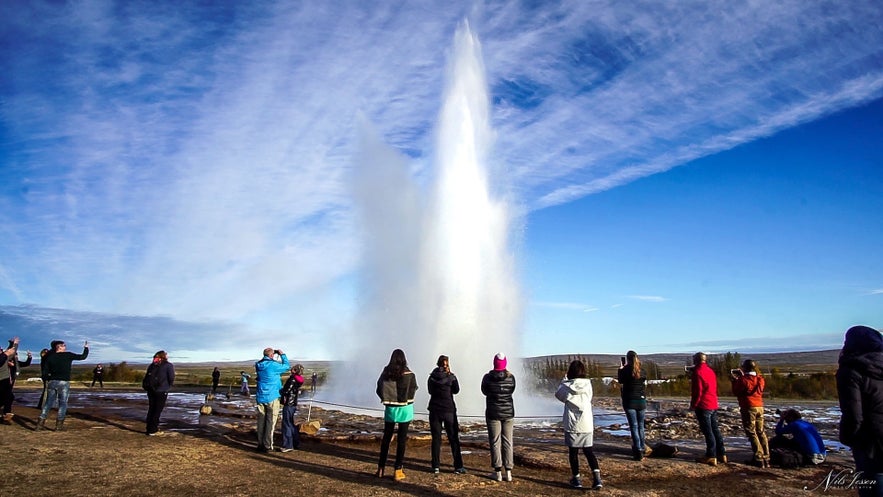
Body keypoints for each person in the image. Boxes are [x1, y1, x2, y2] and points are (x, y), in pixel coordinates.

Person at [836, 325, 883, 496]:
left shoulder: (850, 370)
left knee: (871, 482)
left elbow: (853, 414)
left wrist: (849, 438)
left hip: (870, 439)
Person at [556, 359, 603, 489]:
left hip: (572, 424)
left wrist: (564, 381)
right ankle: (597, 479)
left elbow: (558, 395)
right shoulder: (588, 385)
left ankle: (576, 479)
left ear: (570, 372)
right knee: (589, 451)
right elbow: (589, 398)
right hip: (586, 423)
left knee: (573, 452)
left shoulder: (566, 386)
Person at [375, 348, 418, 481]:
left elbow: (379, 387)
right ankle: (398, 470)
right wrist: (405, 400)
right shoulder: (409, 374)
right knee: (401, 440)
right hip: (405, 409)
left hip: (390, 409)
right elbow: (414, 388)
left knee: (386, 439)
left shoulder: (386, 372)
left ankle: (380, 469)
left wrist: (388, 399)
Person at [37, 339, 89, 431]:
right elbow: (83, 357)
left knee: (48, 403)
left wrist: (48, 379)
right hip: (64, 382)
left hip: (52, 382)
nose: (65, 347)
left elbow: (45, 372)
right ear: (59, 347)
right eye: (64, 345)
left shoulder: (49, 357)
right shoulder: (67, 355)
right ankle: (58, 426)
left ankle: (40, 424)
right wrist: (86, 348)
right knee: (63, 403)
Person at [427, 355, 466, 474]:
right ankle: (458, 466)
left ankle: (435, 466)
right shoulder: (451, 377)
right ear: (447, 365)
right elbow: (456, 390)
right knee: (453, 438)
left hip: (435, 410)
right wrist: (450, 377)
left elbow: (430, 391)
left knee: (436, 439)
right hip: (449, 410)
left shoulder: (431, 377)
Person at [482, 352, 516, 482]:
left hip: (493, 413)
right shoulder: (511, 378)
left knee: (495, 441)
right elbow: (512, 390)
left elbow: (484, 391)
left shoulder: (487, 378)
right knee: (508, 441)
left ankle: (498, 472)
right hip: (508, 413)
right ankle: (509, 472)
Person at [731, 359, 770, 467]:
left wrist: (735, 381)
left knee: (751, 432)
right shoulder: (760, 379)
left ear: (744, 368)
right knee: (761, 431)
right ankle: (766, 457)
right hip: (760, 406)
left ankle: (758, 457)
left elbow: (736, 391)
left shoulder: (743, 380)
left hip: (749, 406)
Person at [689, 352, 726, 465]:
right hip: (713, 403)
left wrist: (693, 405)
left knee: (708, 431)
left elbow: (698, 392)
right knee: (715, 429)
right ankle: (722, 453)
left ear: (696, 360)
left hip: (703, 404)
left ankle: (711, 455)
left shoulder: (697, 372)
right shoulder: (710, 371)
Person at [254, 347, 290, 452]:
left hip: (260, 396)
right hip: (272, 396)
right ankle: (267, 445)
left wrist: (271, 355)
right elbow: (287, 366)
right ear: (271, 355)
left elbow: (264, 361)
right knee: (270, 421)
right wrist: (282, 354)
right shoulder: (273, 365)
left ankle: (260, 444)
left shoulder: (258, 365)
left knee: (261, 421)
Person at [618, 350, 650, 461]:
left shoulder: (625, 370)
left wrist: (620, 369)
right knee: (641, 426)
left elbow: (620, 381)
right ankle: (642, 447)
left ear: (627, 359)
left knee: (634, 426)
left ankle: (638, 450)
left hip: (630, 401)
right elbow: (643, 381)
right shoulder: (643, 371)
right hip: (641, 401)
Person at [142, 351, 175, 436]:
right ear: (163, 356)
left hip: (151, 390)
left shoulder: (152, 365)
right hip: (161, 390)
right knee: (157, 410)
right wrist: (168, 386)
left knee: (151, 409)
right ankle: (153, 430)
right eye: (166, 354)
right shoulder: (168, 365)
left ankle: (149, 428)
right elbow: (171, 378)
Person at [280, 364, 304, 452]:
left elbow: (287, 390)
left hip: (288, 403)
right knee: (291, 423)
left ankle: (287, 445)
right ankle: (295, 443)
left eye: (292, 369)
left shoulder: (292, 379)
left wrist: (280, 390)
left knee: (286, 424)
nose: (291, 369)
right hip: (293, 403)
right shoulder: (299, 379)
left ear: (294, 370)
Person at [0, 337, 21, 425]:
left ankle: (6, 415)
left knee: (9, 397)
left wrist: (15, 344)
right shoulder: (3, 356)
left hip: (5, 379)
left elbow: (11, 352)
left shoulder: (4, 355)